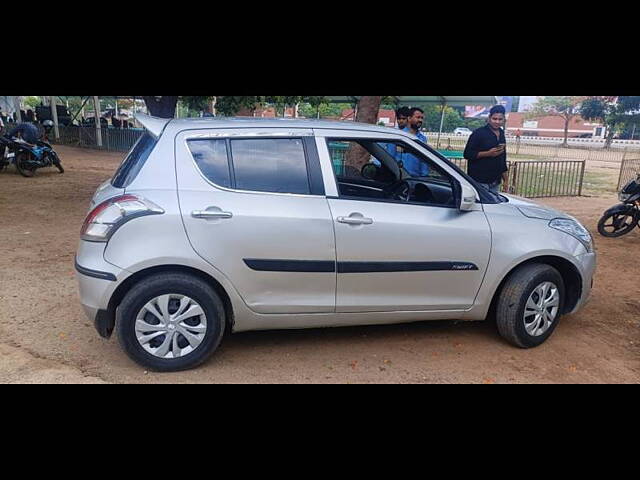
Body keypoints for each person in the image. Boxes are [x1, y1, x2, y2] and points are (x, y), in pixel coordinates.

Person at [463, 104, 509, 193]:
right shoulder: (478, 133)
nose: (497, 122)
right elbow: (467, 154)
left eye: (500, 119)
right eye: (494, 119)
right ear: (489, 118)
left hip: (495, 181)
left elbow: (502, 158)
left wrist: (506, 180)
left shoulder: (501, 133)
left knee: (493, 206)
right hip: (479, 181)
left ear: (504, 120)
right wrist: (488, 153)